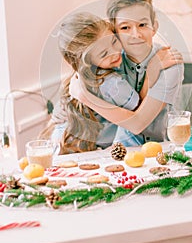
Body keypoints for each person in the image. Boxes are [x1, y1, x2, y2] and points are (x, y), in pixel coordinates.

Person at [43, 10, 179, 152]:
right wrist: (151, 73)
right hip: (92, 150)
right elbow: (137, 113)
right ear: (87, 61)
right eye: (104, 54)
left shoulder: (83, 77)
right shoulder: (111, 83)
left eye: (114, 41)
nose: (114, 52)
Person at [69, 0, 184, 146]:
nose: (136, 35)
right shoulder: (110, 58)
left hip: (159, 151)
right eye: (125, 27)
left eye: (142, 24)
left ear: (154, 27)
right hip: (110, 151)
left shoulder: (169, 62)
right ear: (114, 31)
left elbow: (138, 123)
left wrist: (84, 97)